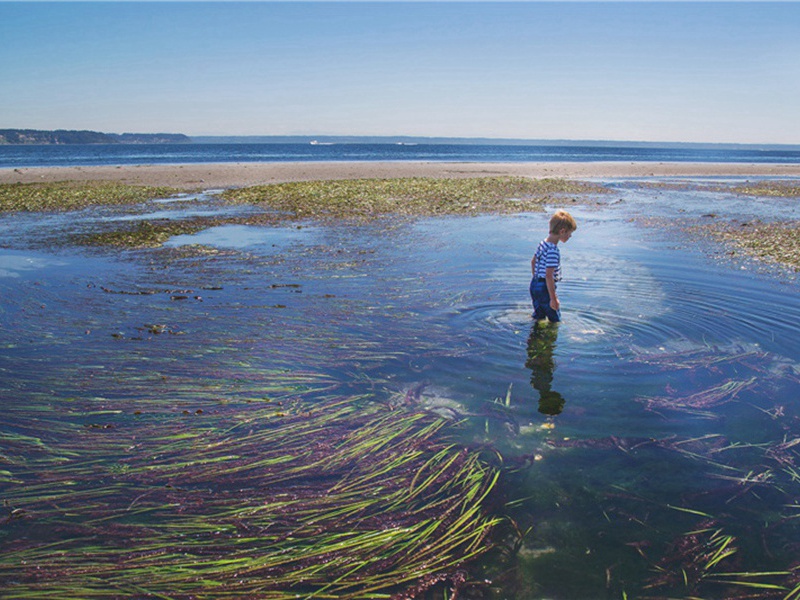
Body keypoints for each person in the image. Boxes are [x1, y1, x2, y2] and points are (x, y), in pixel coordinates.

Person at [529, 210, 577, 323]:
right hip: (545, 287)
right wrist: (553, 298)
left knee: (538, 316)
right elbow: (549, 276)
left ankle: (535, 337)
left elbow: (533, 262)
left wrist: (536, 281)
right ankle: (551, 339)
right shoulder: (553, 250)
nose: (570, 236)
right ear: (562, 231)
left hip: (534, 284)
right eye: (569, 233)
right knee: (555, 319)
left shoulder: (542, 243)